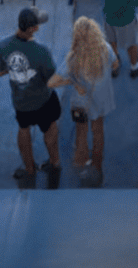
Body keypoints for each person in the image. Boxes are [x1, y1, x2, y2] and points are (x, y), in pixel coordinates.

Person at [0, 6, 62, 188]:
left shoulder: (3, 46)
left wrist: (15, 69)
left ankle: (29, 169)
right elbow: (52, 80)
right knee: (49, 130)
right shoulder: (42, 51)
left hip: (20, 102)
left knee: (23, 128)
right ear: (34, 28)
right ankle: (55, 163)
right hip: (43, 101)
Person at [47, 16, 119, 186]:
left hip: (82, 101)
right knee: (98, 130)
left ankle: (81, 158)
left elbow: (51, 83)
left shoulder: (73, 58)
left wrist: (73, 81)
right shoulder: (106, 49)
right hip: (102, 99)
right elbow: (115, 66)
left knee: (81, 130)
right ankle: (97, 165)